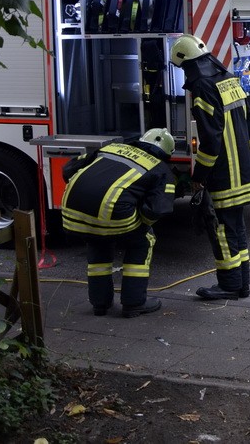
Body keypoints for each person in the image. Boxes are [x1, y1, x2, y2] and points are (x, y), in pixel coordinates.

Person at [170, 33, 250, 301]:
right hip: (242, 167)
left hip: (223, 173)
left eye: (183, 68)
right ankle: (241, 285)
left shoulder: (203, 88)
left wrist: (199, 176)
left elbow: (210, 139)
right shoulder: (229, 79)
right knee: (236, 228)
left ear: (188, 64)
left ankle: (229, 285)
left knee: (220, 227)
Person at [61, 128, 177, 318]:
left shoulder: (111, 148)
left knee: (98, 239)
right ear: (167, 154)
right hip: (112, 215)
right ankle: (134, 303)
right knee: (144, 240)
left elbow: (68, 169)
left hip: (71, 211)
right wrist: (142, 223)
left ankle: (100, 304)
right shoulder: (161, 169)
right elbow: (156, 210)